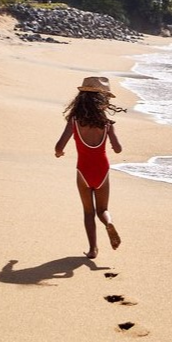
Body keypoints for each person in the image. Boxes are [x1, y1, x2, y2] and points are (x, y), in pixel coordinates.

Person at [54, 76, 125, 259]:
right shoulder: (107, 124)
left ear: (81, 100)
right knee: (103, 210)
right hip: (102, 171)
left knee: (88, 212)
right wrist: (111, 133)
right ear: (103, 102)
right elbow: (118, 149)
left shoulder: (74, 122)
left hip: (83, 171)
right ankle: (109, 223)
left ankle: (93, 249)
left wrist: (59, 153)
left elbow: (59, 147)